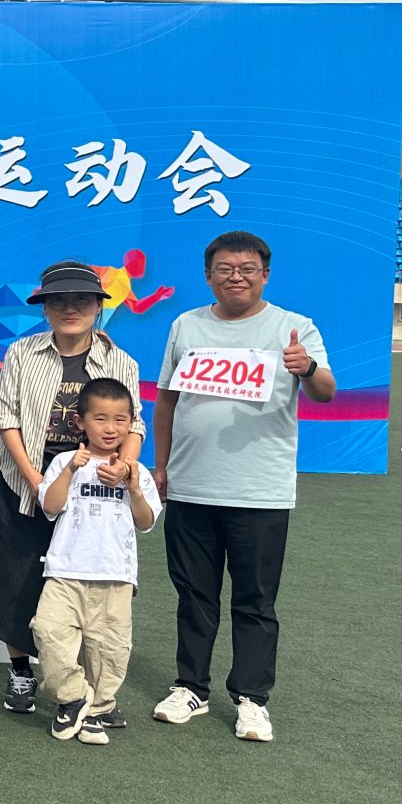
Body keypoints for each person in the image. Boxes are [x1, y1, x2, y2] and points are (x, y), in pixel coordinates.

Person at [149, 230, 334, 742]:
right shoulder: (186, 325)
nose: (237, 277)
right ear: (208, 275)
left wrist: (307, 367)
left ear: (265, 275)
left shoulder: (294, 327)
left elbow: (325, 392)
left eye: (248, 269)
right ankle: (190, 687)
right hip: (190, 487)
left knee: (255, 601)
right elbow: (167, 401)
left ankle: (252, 699)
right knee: (194, 595)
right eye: (225, 269)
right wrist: (160, 467)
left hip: (260, 491)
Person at [0, 261, 145, 719]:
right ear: (44, 308)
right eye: (58, 301)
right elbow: (6, 418)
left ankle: (83, 684)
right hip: (21, 481)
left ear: (98, 307)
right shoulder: (21, 353)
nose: (70, 309)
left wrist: (124, 468)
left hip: (91, 489)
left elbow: (134, 423)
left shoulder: (120, 362)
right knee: (15, 578)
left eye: (81, 300)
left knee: (79, 582)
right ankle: (21, 670)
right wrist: (35, 478)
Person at [32, 378, 161, 746]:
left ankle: (98, 709)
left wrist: (133, 487)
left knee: (110, 651)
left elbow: (146, 522)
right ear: (80, 423)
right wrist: (71, 470)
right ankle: (74, 697)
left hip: (115, 577)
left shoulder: (137, 471)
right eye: (100, 419)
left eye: (120, 420)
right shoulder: (65, 462)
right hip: (64, 573)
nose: (110, 428)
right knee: (48, 634)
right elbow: (50, 506)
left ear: (131, 424)